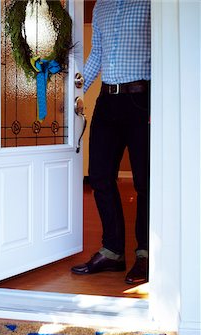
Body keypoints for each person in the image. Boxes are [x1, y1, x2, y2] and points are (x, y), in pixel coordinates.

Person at [71, 0, 151, 284]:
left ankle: (145, 254)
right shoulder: (101, 5)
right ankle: (113, 251)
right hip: (107, 101)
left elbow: (161, 51)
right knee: (100, 177)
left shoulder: (150, 3)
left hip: (142, 98)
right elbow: (96, 56)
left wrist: (160, 103)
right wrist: (74, 90)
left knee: (145, 182)